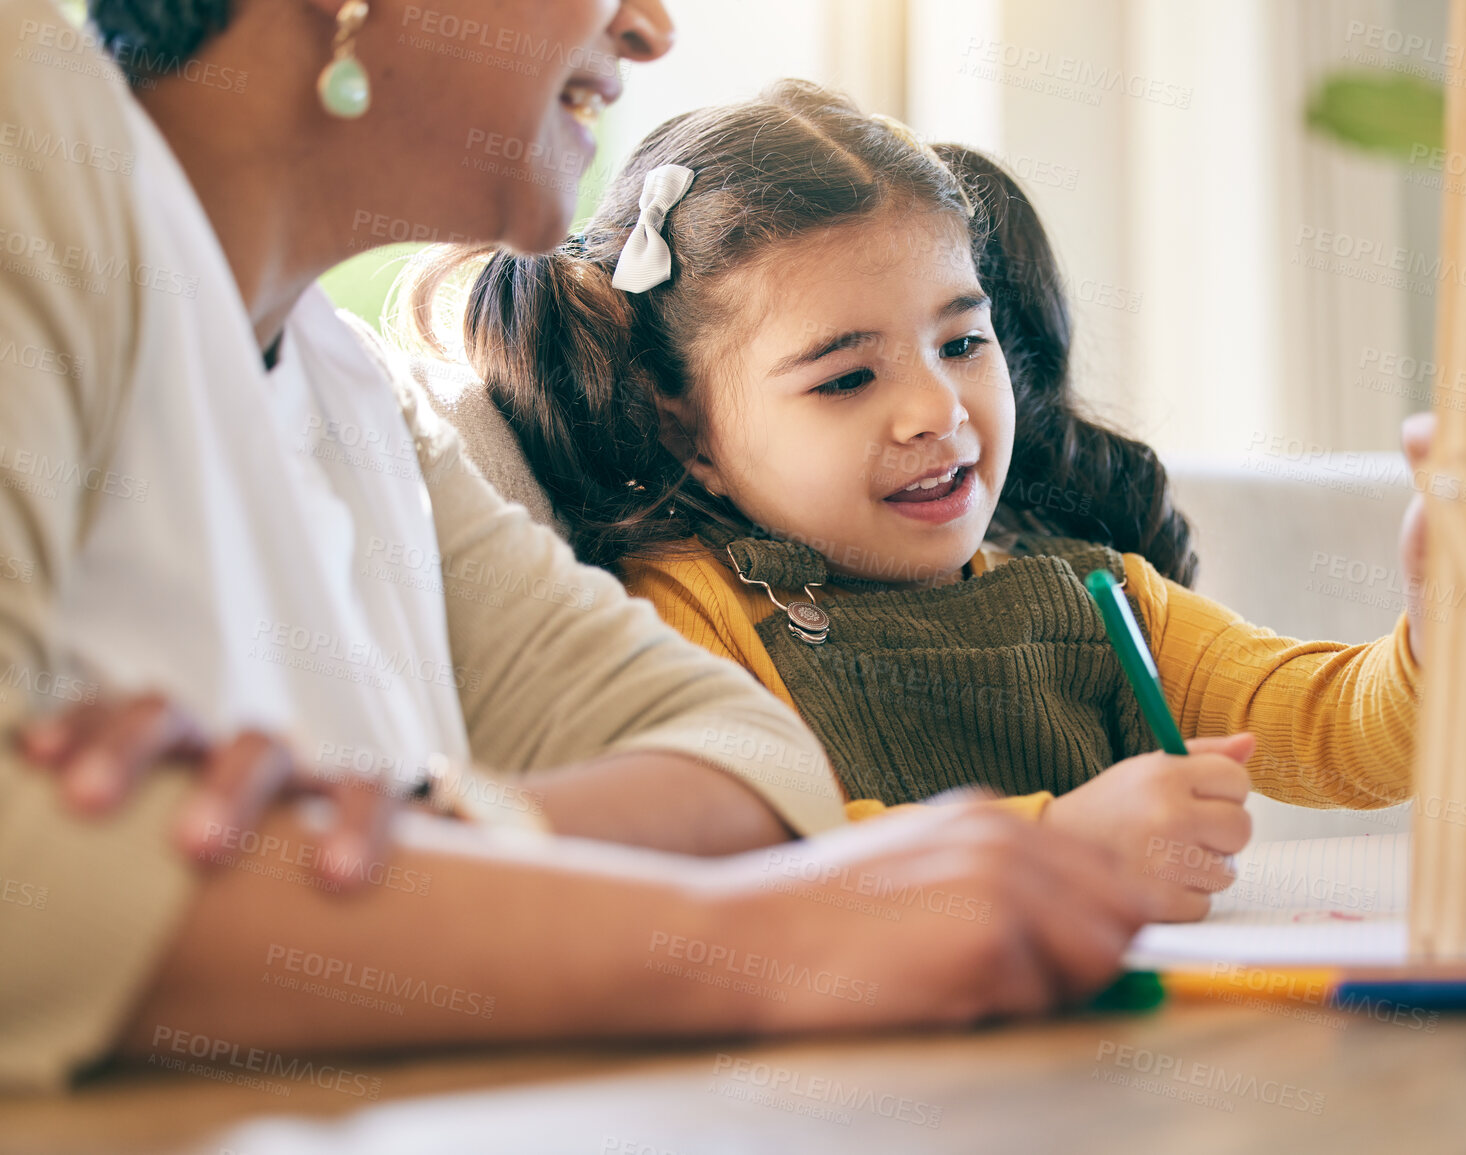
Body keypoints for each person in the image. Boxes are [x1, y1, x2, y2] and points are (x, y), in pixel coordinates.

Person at [0, 0, 1157, 1092]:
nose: (652, 27)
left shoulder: (348, 384)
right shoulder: (28, 130)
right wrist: (763, 941)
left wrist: (419, 832)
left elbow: (751, 758)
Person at [430, 81, 1466, 912]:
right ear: (681, 427)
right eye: (845, 378)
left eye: (962, 343)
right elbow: (758, 858)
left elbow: (1350, 737)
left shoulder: (1103, 600)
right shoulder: (685, 613)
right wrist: (1060, 844)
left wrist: (1445, 627)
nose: (936, 408)